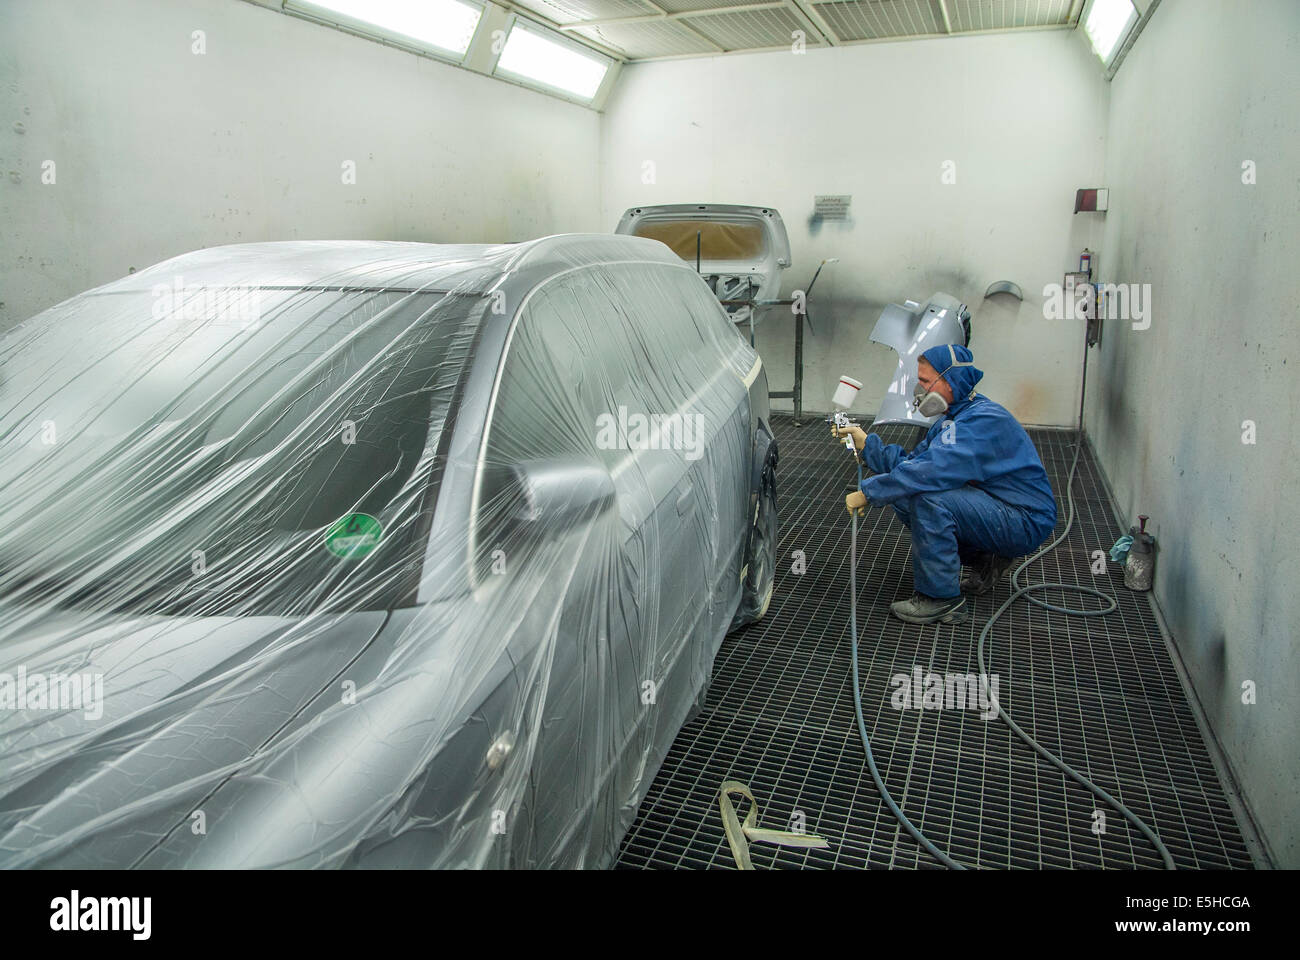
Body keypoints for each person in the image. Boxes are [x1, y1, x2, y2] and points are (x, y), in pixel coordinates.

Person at [835, 344, 1057, 625]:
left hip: (1025, 519)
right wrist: (868, 446)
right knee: (907, 495)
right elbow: (914, 463)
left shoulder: (982, 420)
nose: (920, 389)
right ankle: (987, 559)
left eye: (926, 382)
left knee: (929, 499)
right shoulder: (952, 419)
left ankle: (940, 600)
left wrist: (870, 492)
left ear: (951, 381)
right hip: (997, 506)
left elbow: (931, 472)